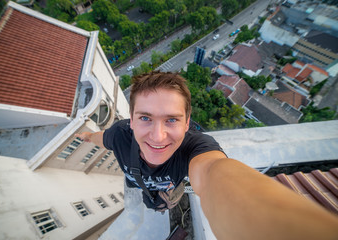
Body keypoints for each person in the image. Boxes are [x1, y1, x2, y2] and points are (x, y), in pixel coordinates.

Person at [76, 71, 338, 239]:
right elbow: (101, 139)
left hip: (170, 189)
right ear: (131, 121)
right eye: (145, 118)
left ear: (187, 123)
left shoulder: (196, 148)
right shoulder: (119, 135)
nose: (157, 136)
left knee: (168, 200)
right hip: (140, 186)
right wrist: (86, 136)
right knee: (151, 201)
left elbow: (215, 173)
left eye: (171, 120)